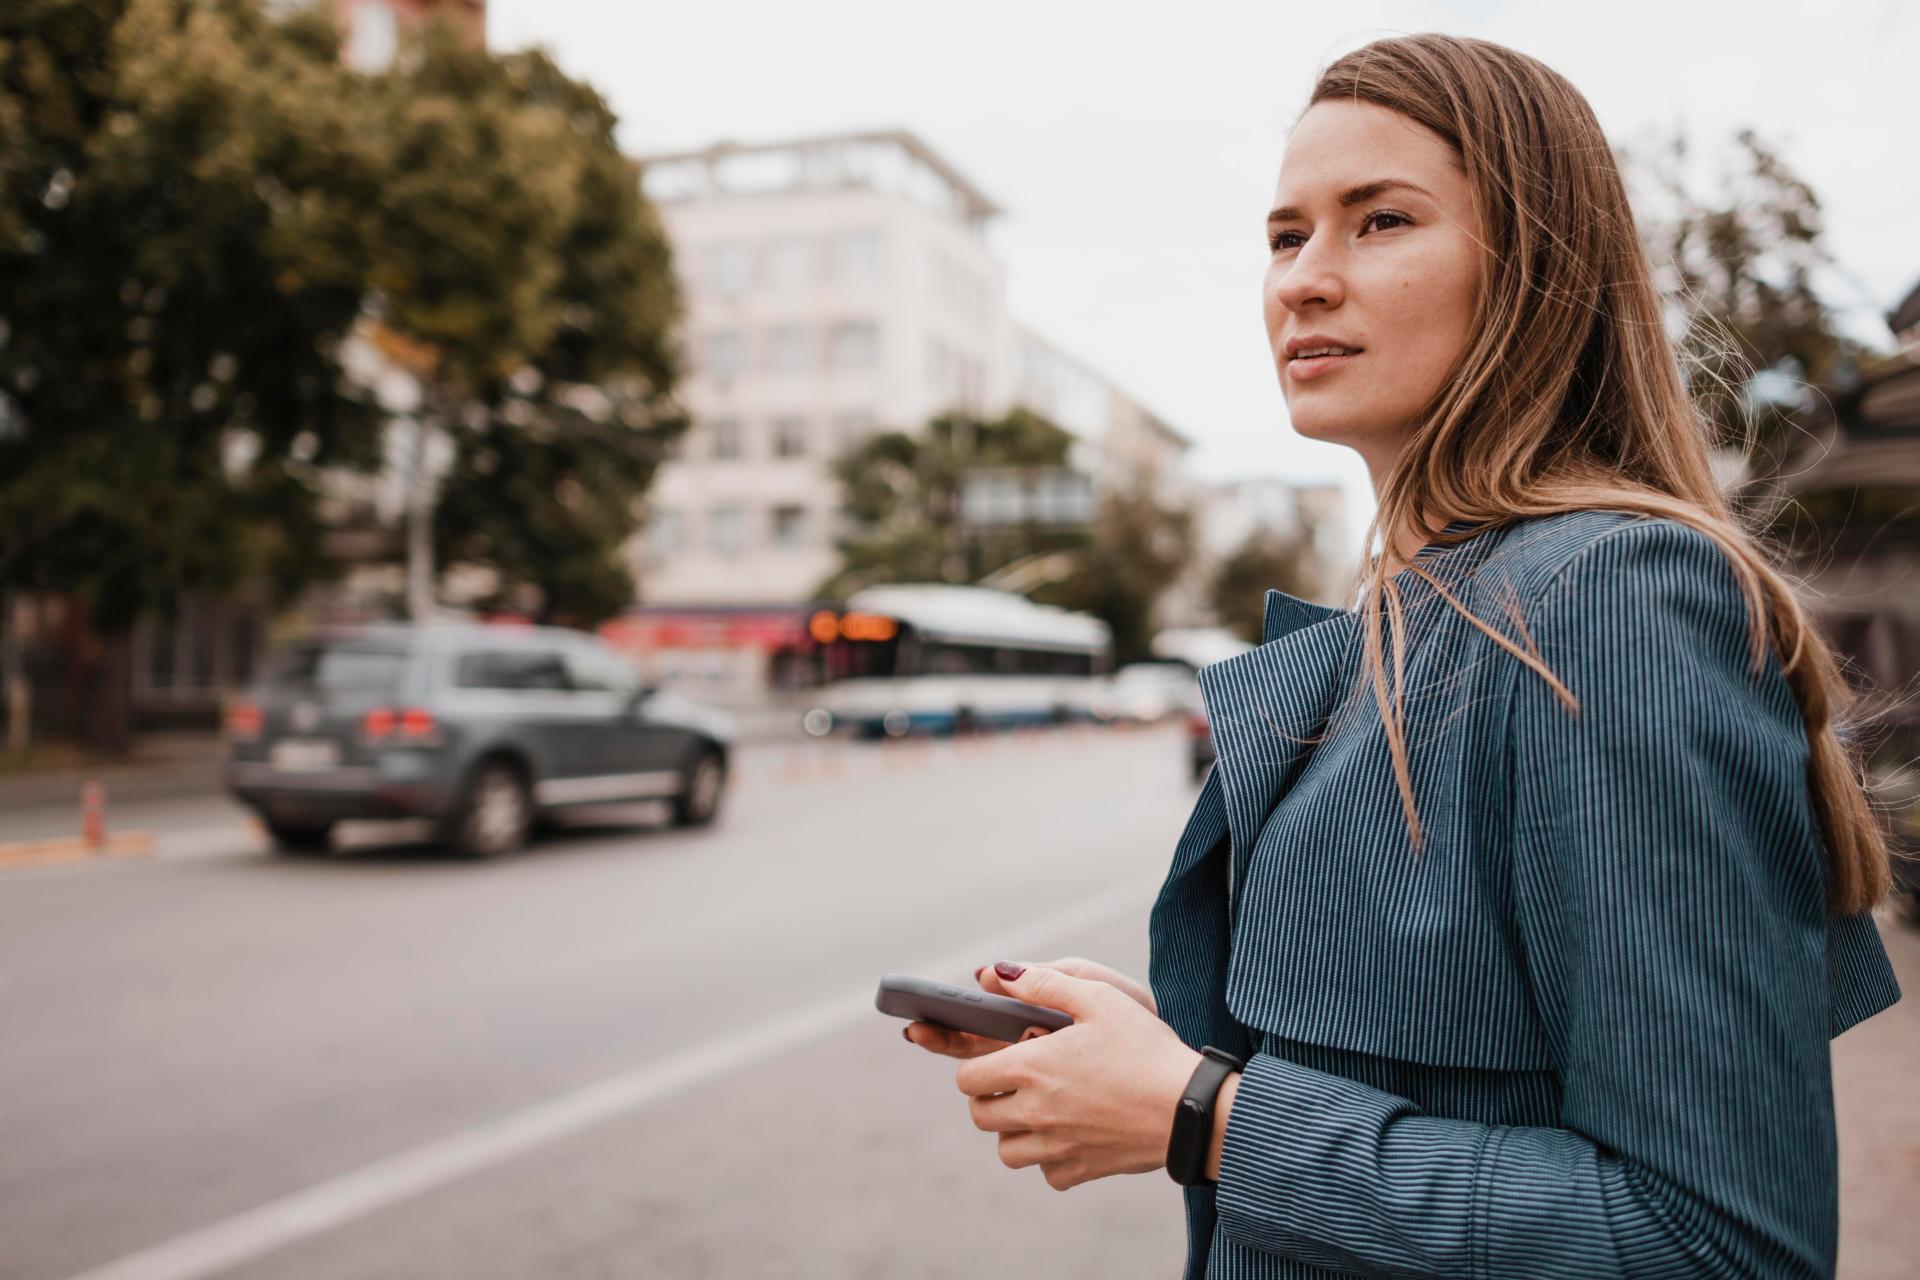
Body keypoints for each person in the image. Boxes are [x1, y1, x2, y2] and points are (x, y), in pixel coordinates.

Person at [901, 32, 1902, 1280]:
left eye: (1380, 221)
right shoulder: (1409, 615)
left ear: (1534, 269)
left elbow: (1718, 1244)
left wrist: (1206, 1114)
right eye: (1284, 234)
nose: (1304, 280)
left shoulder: (1615, 605)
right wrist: (1154, 1059)